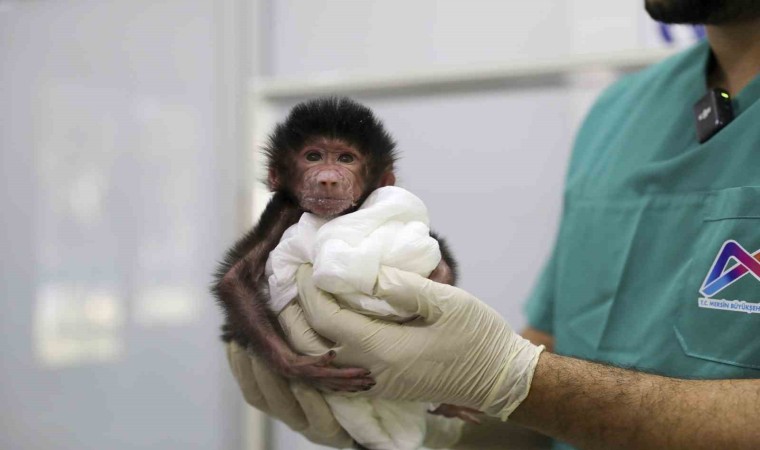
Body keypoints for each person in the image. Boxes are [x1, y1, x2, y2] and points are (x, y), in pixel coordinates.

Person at [226, 1, 760, 448]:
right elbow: (552, 390)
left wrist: (510, 379)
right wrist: (429, 430)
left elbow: (532, 384)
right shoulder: (621, 114)